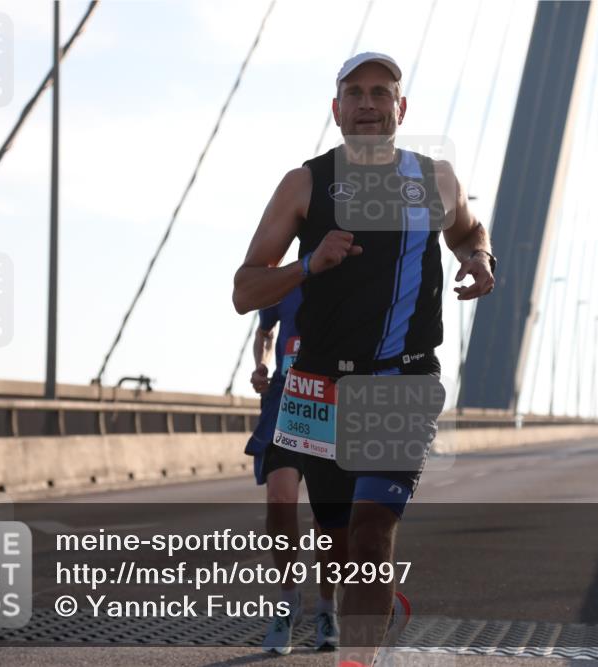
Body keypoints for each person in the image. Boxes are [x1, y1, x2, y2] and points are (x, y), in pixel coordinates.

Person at [232, 51, 495, 667]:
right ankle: (349, 612)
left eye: (381, 93)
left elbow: (468, 231)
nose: (368, 104)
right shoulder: (305, 184)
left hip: (402, 381)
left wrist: (480, 259)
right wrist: (308, 263)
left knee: (373, 534)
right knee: (340, 544)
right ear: (337, 109)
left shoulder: (435, 180)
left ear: (401, 108)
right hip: (317, 388)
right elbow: (245, 290)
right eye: (355, 93)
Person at [245, 286, 340, 653]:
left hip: (330, 401)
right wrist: (261, 364)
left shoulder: (350, 273)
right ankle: (288, 601)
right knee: (280, 499)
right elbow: (265, 332)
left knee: (325, 516)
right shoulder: (285, 279)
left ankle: (327, 608)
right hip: (285, 403)